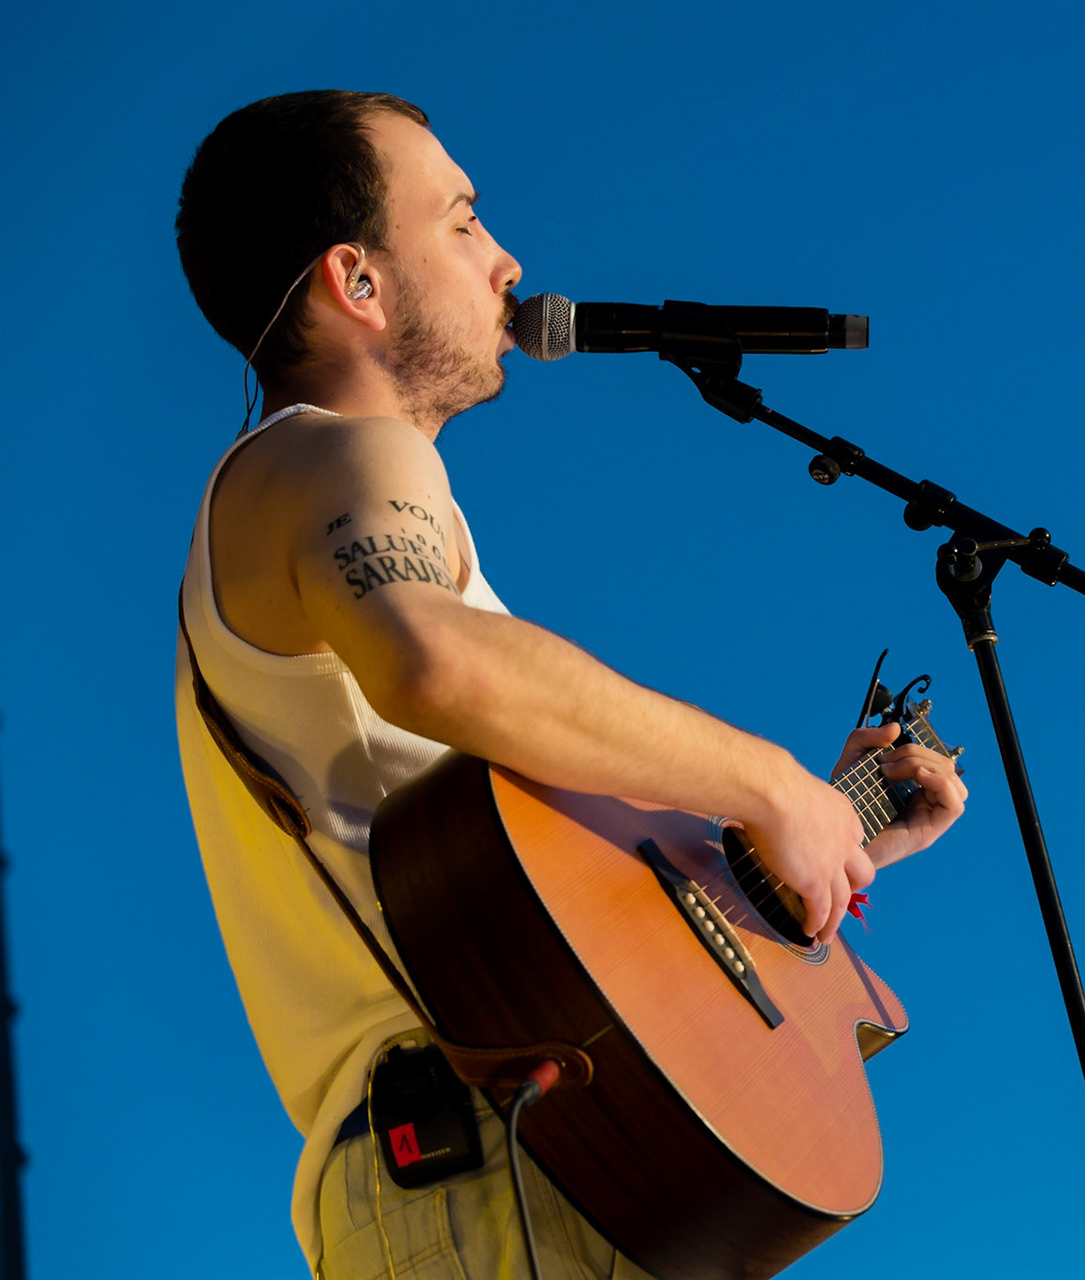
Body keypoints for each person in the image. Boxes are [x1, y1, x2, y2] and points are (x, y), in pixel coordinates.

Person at [171, 90, 966, 1279]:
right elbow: (429, 658)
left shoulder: (310, 495)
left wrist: (828, 821)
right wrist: (765, 778)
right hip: (494, 1163)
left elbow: (568, 912)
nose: (508, 261)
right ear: (359, 281)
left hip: (511, 1158)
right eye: (462, 223)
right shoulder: (339, 447)